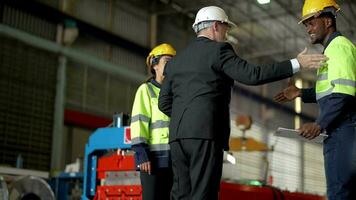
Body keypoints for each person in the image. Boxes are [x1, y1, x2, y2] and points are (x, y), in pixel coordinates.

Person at [158, 5, 328, 200]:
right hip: (205, 135)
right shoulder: (219, 50)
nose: (226, 34)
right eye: (225, 29)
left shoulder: (177, 61)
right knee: (202, 194)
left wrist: (187, 116)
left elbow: (164, 103)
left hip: (177, 137)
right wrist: (297, 63)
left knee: (180, 195)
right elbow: (252, 75)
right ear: (215, 26)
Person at [274, 0, 356, 199]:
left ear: (327, 21)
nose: (308, 29)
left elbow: (343, 94)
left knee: (339, 192)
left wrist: (319, 124)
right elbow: (331, 90)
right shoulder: (334, 49)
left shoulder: (339, 48)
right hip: (341, 130)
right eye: (306, 25)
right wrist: (301, 93)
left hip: (343, 130)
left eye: (311, 23)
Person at [130, 43, 176, 200]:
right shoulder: (146, 90)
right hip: (153, 161)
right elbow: (138, 124)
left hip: (174, 160)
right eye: (167, 62)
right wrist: (141, 154)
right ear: (155, 65)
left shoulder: (177, 94)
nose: (171, 67)